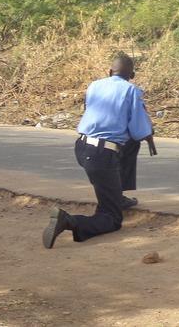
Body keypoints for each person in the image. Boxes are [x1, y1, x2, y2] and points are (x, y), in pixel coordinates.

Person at [42, 54, 154, 248]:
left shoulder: (94, 85)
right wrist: (149, 135)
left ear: (109, 72)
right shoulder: (131, 90)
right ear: (132, 75)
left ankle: (117, 196)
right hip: (102, 156)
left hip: (82, 147)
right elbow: (138, 131)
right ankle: (68, 221)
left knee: (128, 146)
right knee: (111, 218)